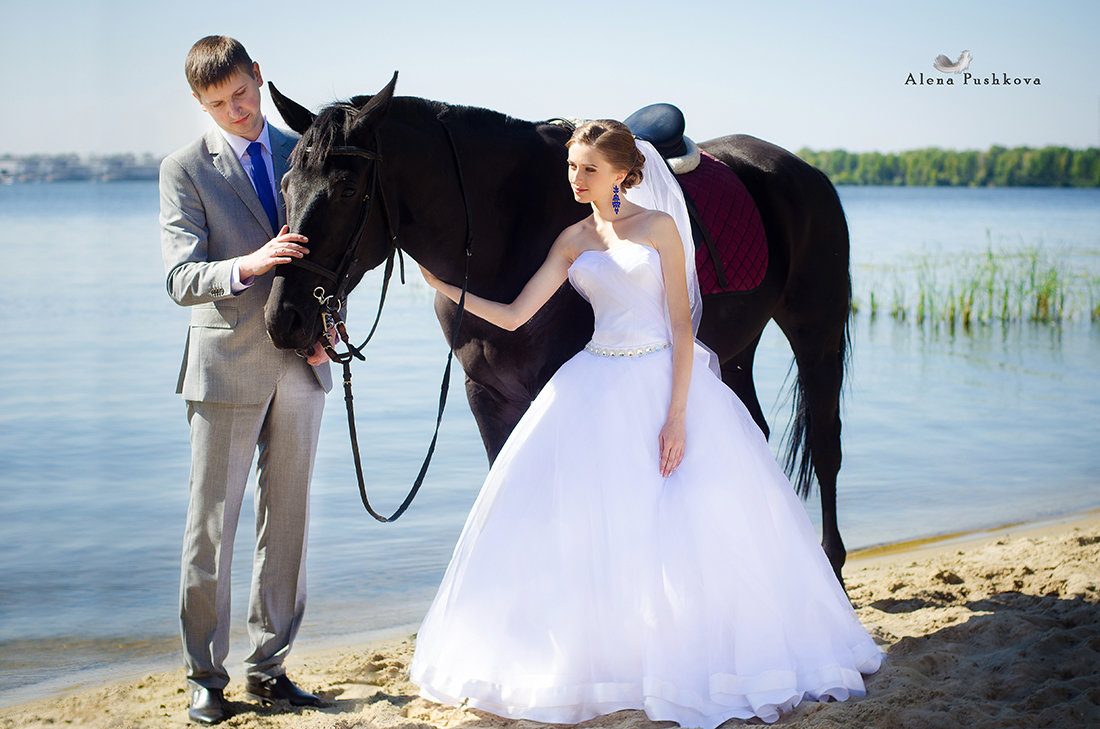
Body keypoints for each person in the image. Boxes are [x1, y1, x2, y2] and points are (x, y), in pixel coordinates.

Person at [410, 120, 883, 728]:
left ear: (621, 173)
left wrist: (677, 416)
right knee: (587, 520)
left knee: (692, 520)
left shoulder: (659, 227)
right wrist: (446, 286)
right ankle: (609, 652)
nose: (575, 179)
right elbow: (513, 314)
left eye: (587, 169)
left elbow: (684, 328)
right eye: (572, 168)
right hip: (594, 381)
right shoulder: (572, 239)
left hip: (661, 378)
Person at [160, 35, 332, 725]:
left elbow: (330, 260)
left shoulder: (304, 152)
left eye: (241, 94)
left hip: (300, 364)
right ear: (200, 103)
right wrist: (252, 262)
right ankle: (207, 675)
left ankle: (270, 668)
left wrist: (328, 330)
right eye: (216, 104)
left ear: (258, 77)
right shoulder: (183, 169)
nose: (235, 112)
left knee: (286, 524)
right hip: (224, 366)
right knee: (211, 530)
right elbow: (180, 278)